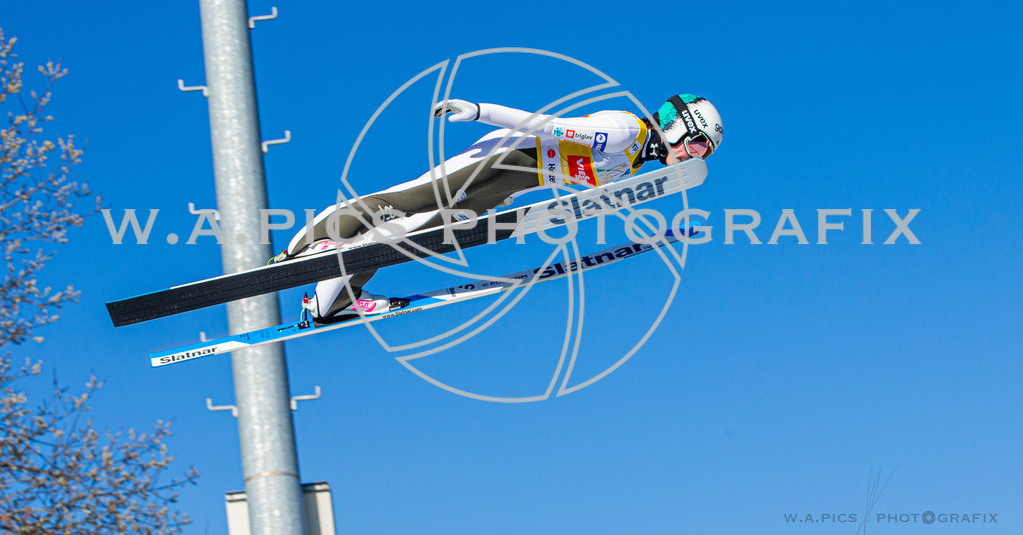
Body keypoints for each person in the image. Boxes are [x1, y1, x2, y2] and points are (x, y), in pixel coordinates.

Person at [281, 94, 724, 323]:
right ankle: (303, 247)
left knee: (414, 239)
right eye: (701, 143)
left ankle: (331, 301)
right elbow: (547, 127)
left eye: (708, 151)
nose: (699, 155)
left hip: (512, 183)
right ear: (678, 128)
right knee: (410, 200)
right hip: (502, 157)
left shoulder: (634, 159)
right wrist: (479, 111)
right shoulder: (625, 130)